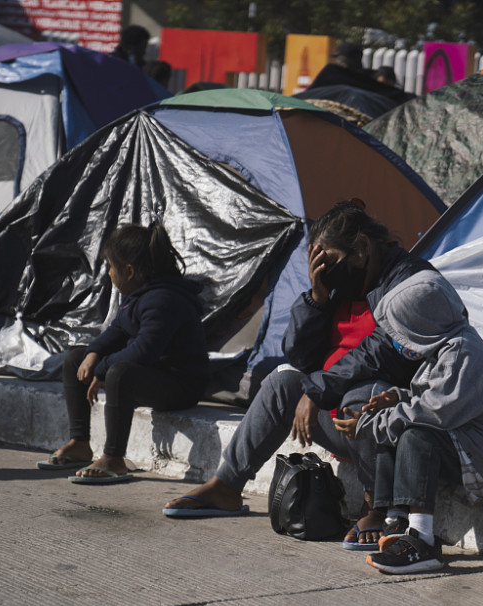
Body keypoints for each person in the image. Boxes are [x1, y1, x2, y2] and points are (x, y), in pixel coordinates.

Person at [163, 201, 437, 550]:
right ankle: (227, 486)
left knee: (365, 393)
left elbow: (382, 351)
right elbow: (300, 355)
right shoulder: (339, 285)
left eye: (332, 262)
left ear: (363, 249)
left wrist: (317, 392)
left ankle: (377, 504)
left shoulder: (408, 280)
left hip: (390, 422)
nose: (328, 271)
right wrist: (317, 299)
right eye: (320, 264)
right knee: (280, 382)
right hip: (338, 418)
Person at [334, 271, 483, 574]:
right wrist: (397, 397)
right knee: (393, 426)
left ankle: (421, 541)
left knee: (414, 436)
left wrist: (368, 424)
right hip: (467, 441)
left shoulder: (463, 353)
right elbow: (429, 395)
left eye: (403, 332)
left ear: (423, 325)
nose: (399, 342)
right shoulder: (445, 347)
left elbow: (432, 413)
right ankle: (396, 519)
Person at [37, 224, 210, 483]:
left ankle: (114, 458)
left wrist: (102, 368)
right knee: (76, 359)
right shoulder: (138, 295)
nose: (108, 273)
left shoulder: (163, 299)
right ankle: (80, 442)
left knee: (120, 372)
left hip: (181, 386)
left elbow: (144, 352)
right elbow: (116, 330)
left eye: (110, 267)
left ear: (129, 272)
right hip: (154, 376)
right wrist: (94, 354)